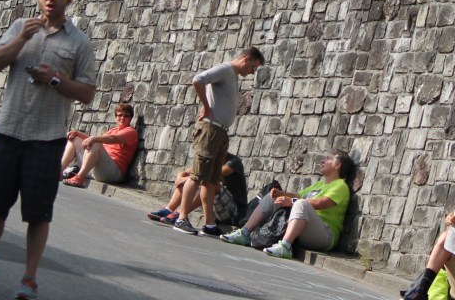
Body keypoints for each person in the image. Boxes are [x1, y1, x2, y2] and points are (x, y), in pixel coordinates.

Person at [0, 0, 97, 300]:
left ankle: (29, 277)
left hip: (47, 138)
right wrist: (21, 40)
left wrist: (55, 79)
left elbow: (87, 93)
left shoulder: (79, 42)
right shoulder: (19, 27)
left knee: (38, 213)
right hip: (9, 130)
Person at [171, 47, 265, 236]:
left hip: (220, 131)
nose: (252, 72)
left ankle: (209, 224)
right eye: (253, 67)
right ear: (247, 59)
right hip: (211, 129)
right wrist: (206, 107)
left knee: (211, 180)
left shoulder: (232, 76)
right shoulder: (225, 69)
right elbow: (198, 80)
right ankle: (181, 218)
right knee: (198, 176)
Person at [220, 150, 355, 259]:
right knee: (272, 197)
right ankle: (244, 233)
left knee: (300, 204)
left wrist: (292, 201)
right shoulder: (320, 184)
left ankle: (285, 247)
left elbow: (321, 203)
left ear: (337, 165)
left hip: (325, 236)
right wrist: (280, 193)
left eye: (328, 158)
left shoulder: (340, 186)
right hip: (303, 228)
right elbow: (298, 195)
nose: (322, 161)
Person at [146, 152, 248, 227]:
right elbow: (186, 173)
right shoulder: (210, 160)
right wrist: (181, 177)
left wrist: (188, 178)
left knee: (208, 183)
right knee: (189, 181)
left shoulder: (233, 162)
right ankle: (168, 210)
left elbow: (215, 174)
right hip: (216, 208)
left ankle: (181, 214)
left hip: (234, 211)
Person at [60, 103, 139, 187]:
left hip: (113, 173)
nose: (122, 118)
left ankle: (79, 178)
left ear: (130, 118)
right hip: (96, 169)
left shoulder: (131, 132)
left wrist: (94, 139)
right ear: (116, 117)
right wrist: (77, 133)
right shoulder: (113, 130)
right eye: (120, 115)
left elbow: (113, 139)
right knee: (75, 139)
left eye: (126, 116)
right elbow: (93, 140)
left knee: (96, 142)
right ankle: (58, 171)